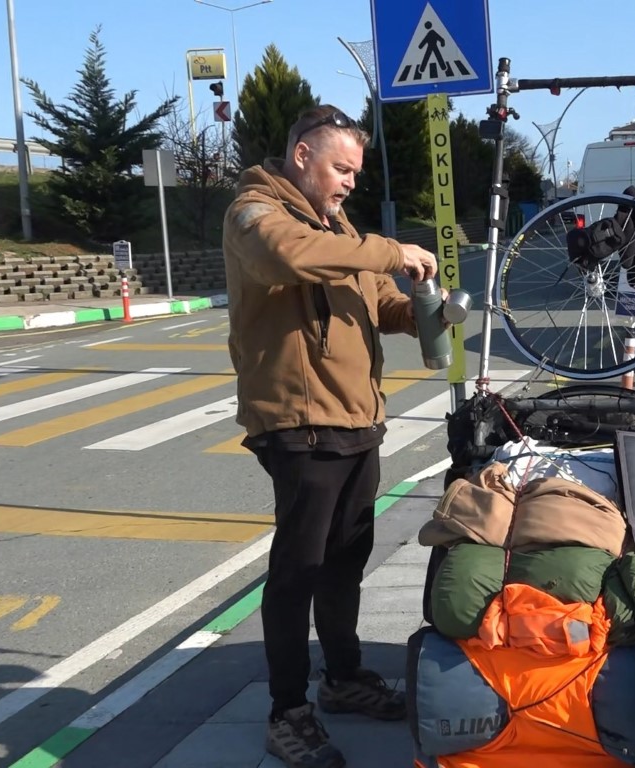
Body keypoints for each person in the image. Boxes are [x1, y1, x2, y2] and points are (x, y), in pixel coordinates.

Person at [222, 104, 440, 768]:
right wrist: (388, 248)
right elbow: (288, 256)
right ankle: (287, 712)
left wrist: (425, 308)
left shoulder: (336, 226)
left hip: (355, 420)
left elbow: (379, 302)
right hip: (299, 423)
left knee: (345, 560)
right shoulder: (254, 214)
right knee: (298, 571)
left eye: (354, 171)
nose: (349, 182)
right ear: (301, 157)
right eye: (340, 168)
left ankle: (343, 678)